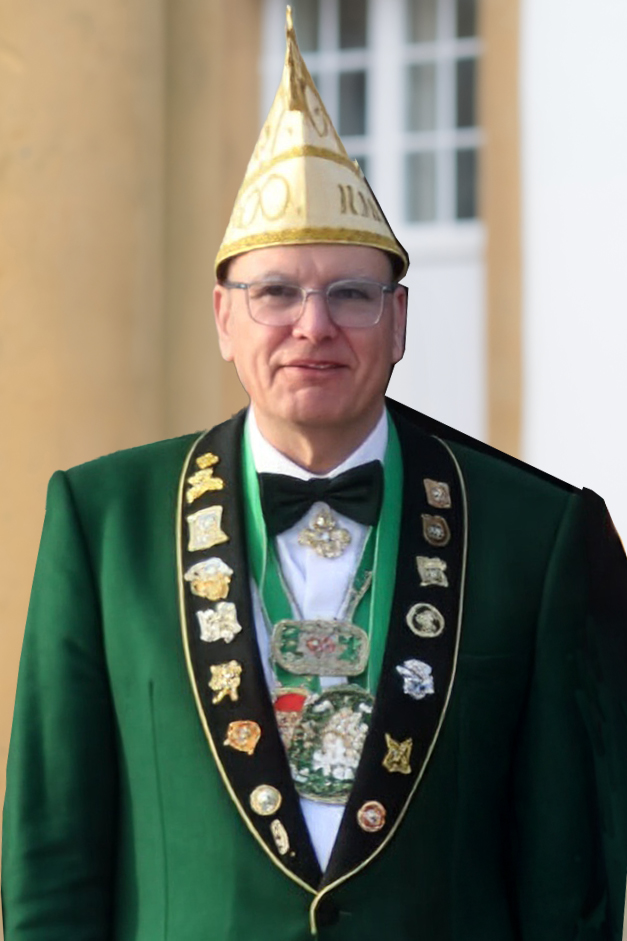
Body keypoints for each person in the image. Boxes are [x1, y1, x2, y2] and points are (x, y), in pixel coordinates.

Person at [3, 9, 627, 940]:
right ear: (224, 318)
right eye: (275, 292)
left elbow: (569, 885)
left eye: (351, 294)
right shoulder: (103, 524)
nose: (313, 325)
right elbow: (51, 858)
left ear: (399, 321)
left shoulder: (536, 535)